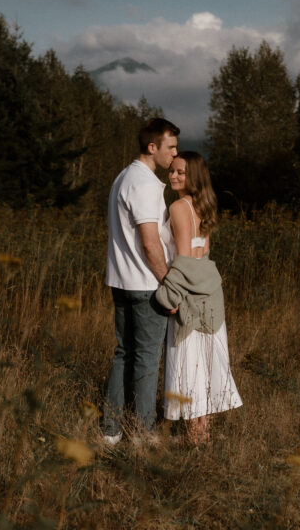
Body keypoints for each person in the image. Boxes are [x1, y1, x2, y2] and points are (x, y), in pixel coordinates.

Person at [155, 151, 242, 445]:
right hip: (210, 294)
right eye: (172, 172)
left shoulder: (179, 207)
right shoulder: (204, 206)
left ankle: (195, 438)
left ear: (194, 177)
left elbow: (183, 259)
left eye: (181, 172)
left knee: (190, 362)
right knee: (204, 364)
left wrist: (169, 296)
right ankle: (202, 435)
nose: (174, 176)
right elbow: (202, 254)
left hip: (189, 294)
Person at [102, 117, 180, 445]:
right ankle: (144, 434)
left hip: (120, 281)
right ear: (152, 147)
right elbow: (150, 243)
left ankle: (111, 430)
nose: (174, 155)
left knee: (125, 353)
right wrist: (168, 283)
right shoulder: (147, 185)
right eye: (170, 147)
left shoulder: (124, 176)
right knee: (147, 358)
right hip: (145, 283)